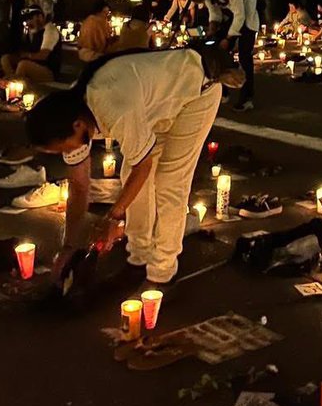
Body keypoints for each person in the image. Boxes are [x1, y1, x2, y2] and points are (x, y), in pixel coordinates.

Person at [25, 46, 244, 286]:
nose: (66, 153)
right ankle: (138, 258)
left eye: (62, 148)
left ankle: (162, 271)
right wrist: (69, 248)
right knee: (130, 174)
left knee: (170, 181)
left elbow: (144, 166)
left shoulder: (111, 106)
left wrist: (112, 218)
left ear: (77, 126)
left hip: (196, 93)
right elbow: (78, 186)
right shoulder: (71, 112)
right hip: (157, 106)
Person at [221, 0, 260, 111]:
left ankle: (246, 98)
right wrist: (213, 26)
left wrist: (228, 38)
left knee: (245, 58)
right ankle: (223, 91)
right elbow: (214, 11)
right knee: (221, 53)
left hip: (248, 19)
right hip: (233, 18)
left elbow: (240, 15)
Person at [1, 6, 62, 85]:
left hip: (48, 70)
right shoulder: (32, 31)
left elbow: (43, 55)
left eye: (30, 19)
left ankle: (14, 84)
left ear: (40, 17)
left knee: (23, 65)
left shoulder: (49, 30)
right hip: (33, 63)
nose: (28, 22)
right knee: (5, 59)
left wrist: (27, 55)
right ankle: (12, 81)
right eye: (26, 20)